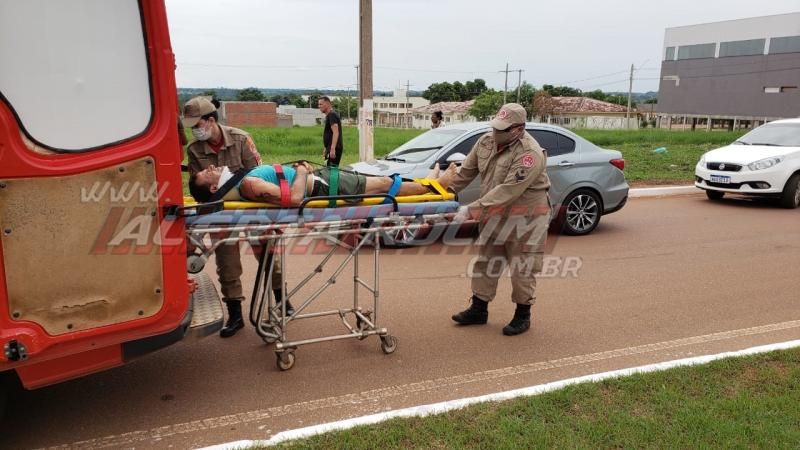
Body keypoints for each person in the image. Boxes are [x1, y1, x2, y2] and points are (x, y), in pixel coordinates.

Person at [182, 96, 289, 338]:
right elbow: (199, 188)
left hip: (253, 207)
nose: (195, 131)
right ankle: (236, 314)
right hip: (221, 212)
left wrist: (273, 217)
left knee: (269, 254)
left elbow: (261, 173)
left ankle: (283, 301)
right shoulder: (194, 150)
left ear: (210, 120)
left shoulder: (241, 139)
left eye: (197, 125)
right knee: (226, 261)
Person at [447, 103, 550, 336]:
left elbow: (508, 191)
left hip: (526, 217)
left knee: (522, 266)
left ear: (519, 129)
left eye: (503, 129)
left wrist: (470, 210)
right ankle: (479, 309)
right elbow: (465, 173)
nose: (496, 133)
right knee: (487, 261)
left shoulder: (529, 154)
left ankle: (523, 315)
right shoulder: (485, 142)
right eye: (495, 127)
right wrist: (443, 194)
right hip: (493, 212)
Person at [189, 161, 458, 206]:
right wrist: (303, 172)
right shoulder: (248, 186)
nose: (211, 168)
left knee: (382, 182)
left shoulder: (242, 181)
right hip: (322, 187)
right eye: (207, 173)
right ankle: (435, 188)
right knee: (385, 183)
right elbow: (294, 200)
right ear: (214, 188)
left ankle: (428, 183)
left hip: (322, 181)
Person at [318, 96, 343, 167]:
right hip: (331, 147)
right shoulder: (329, 116)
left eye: (321, 104)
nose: (319, 106)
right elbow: (330, 134)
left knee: (332, 170)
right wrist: (326, 148)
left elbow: (336, 132)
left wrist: (332, 149)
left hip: (335, 148)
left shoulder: (332, 115)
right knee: (328, 169)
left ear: (327, 104)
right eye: (319, 104)